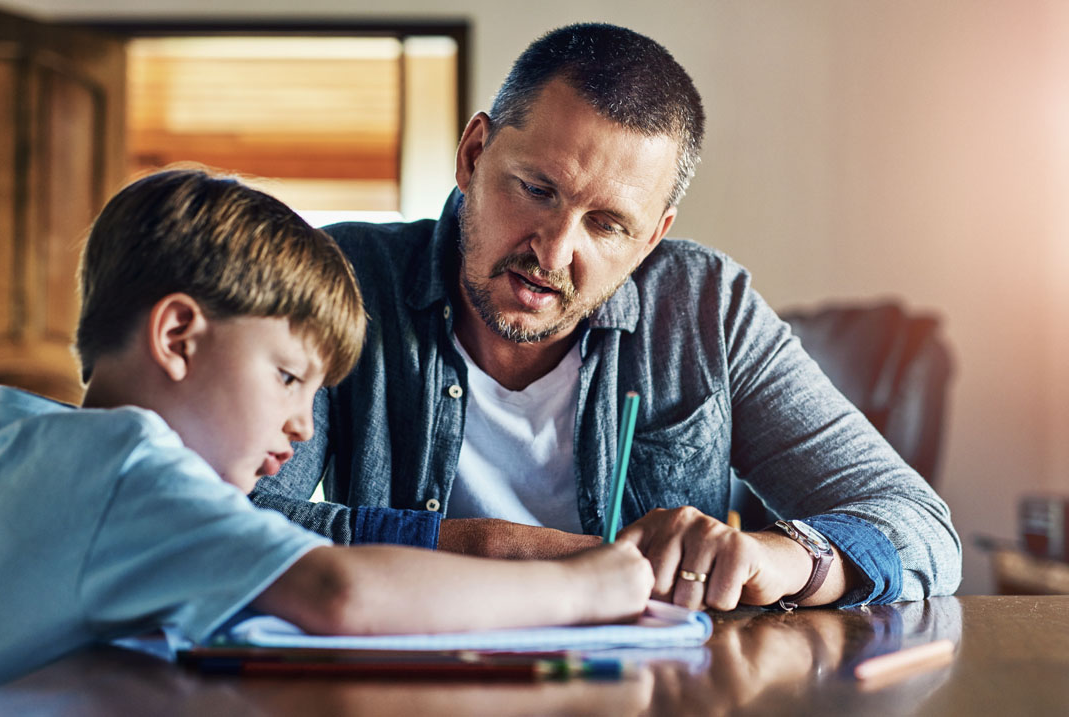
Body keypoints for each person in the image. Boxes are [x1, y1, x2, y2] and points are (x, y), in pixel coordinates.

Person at [253, 23, 961, 612]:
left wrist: (785, 558)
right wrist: (506, 551)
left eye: (609, 225)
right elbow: (218, 522)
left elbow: (919, 524)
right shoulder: (342, 278)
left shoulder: (706, 306)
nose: (554, 251)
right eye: (536, 189)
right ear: (473, 155)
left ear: (653, 236)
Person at [0, 169, 654, 687]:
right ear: (178, 335)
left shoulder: (38, 445)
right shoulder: (134, 470)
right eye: (286, 376)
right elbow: (339, 592)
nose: (305, 426)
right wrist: (584, 585)